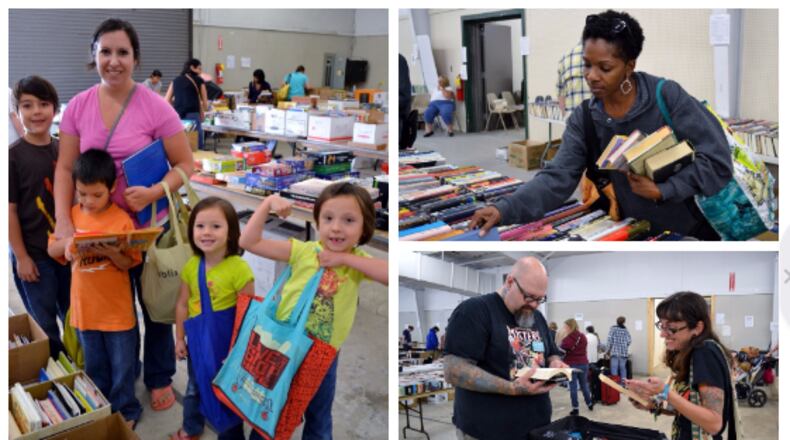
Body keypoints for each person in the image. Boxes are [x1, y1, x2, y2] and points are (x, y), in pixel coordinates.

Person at [469, 10, 732, 240]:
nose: (591, 76)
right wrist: (505, 209)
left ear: (630, 65)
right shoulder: (585, 118)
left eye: (605, 68)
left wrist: (663, 190)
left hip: (691, 231)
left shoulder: (666, 97)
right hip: (632, 230)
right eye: (586, 65)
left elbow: (718, 161)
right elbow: (557, 177)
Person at [54, 18, 194, 414]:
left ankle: (159, 375)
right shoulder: (78, 107)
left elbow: (186, 164)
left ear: (135, 58)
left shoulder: (156, 106)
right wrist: (65, 223)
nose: (113, 61)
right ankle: (122, 372)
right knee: (110, 308)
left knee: (156, 306)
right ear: (94, 56)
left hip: (147, 229)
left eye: (123, 53)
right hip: (98, 231)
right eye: (105, 52)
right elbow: (65, 168)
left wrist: (153, 191)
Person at [240, 182, 388, 439]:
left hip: (322, 352)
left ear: (364, 227)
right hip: (281, 345)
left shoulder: (357, 262)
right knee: (270, 401)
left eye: (349, 220)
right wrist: (267, 203)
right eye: (328, 218)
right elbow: (249, 241)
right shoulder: (304, 251)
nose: (336, 227)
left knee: (318, 413)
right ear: (317, 221)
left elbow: (390, 273)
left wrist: (343, 259)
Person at [48, 149, 143, 428]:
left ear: (112, 188)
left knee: (123, 366)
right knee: (95, 366)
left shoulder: (121, 219)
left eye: (96, 195)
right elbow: (52, 247)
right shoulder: (72, 216)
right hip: (84, 311)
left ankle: (126, 409)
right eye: (82, 193)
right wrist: (67, 246)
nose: (88, 201)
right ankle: (99, 408)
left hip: (118, 312)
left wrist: (113, 253)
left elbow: (130, 262)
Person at [443, 257, 569, 439]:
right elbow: (454, 370)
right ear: (510, 282)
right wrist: (512, 388)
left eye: (540, 299)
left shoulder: (537, 317)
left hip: (536, 428)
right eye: (529, 297)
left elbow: (551, 353)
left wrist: (556, 362)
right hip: (487, 431)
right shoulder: (474, 311)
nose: (534, 304)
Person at [172, 197, 254, 440]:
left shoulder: (239, 268)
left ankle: (230, 435)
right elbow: (182, 304)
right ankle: (191, 428)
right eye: (200, 226)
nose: (206, 232)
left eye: (216, 226)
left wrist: (241, 350)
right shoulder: (191, 266)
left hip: (228, 346)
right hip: (197, 344)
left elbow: (248, 314)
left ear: (231, 232)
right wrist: (179, 338)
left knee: (228, 393)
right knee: (194, 387)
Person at [9, 76, 71, 357]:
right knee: (45, 324)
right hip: (34, 256)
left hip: (67, 254)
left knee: (72, 316)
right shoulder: (13, 157)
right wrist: (21, 256)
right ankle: (60, 377)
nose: (36, 112)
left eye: (43, 104)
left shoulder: (64, 151)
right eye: (27, 105)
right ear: (18, 111)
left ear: (55, 109)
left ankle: (78, 370)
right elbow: (8, 211)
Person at [627, 292, 735, 440]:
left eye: (671, 328)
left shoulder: (704, 353)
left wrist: (666, 392)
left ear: (697, 327)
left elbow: (714, 423)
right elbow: (688, 409)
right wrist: (652, 405)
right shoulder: (690, 352)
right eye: (662, 326)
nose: (662, 335)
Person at [165, 58, 208, 150]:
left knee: (180, 142)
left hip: (177, 115)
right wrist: (205, 108)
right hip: (193, 115)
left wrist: (178, 103)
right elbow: (205, 103)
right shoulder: (200, 80)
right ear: (192, 67)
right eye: (199, 68)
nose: (201, 71)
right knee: (195, 144)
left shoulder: (175, 80)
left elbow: (166, 100)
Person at [560, 319, 594, 415]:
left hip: (571, 365)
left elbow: (561, 350)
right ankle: (590, 403)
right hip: (584, 364)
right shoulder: (583, 336)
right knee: (584, 385)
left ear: (570, 327)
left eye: (565, 327)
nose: (564, 329)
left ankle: (575, 408)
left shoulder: (567, 339)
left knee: (573, 387)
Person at [557, 41, 592, 117]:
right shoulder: (603, 55)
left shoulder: (564, 59)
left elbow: (561, 96)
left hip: (573, 121)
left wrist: (565, 118)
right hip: (599, 121)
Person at [606, 316, 631, 385]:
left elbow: (609, 341)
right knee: (623, 369)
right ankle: (623, 385)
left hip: (614, 352)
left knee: (614, 369)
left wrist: (607, 351)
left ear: (616, 321)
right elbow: (629, 341)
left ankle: (615, 385)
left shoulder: (613, 329)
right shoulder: (626, 330)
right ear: (624, 322)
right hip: (623, 353)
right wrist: (624, 346)